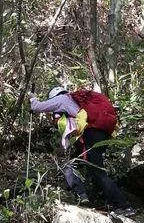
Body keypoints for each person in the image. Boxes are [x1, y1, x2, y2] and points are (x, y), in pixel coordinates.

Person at [30, 85, 133, 215]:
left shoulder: (62, 99)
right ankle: (86, 197)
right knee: (72, 165)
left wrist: (33, 99)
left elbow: (37, 107)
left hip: (92, 134)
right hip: (103, 134)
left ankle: (122, 205)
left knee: (97, 171)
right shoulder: (77, 101)